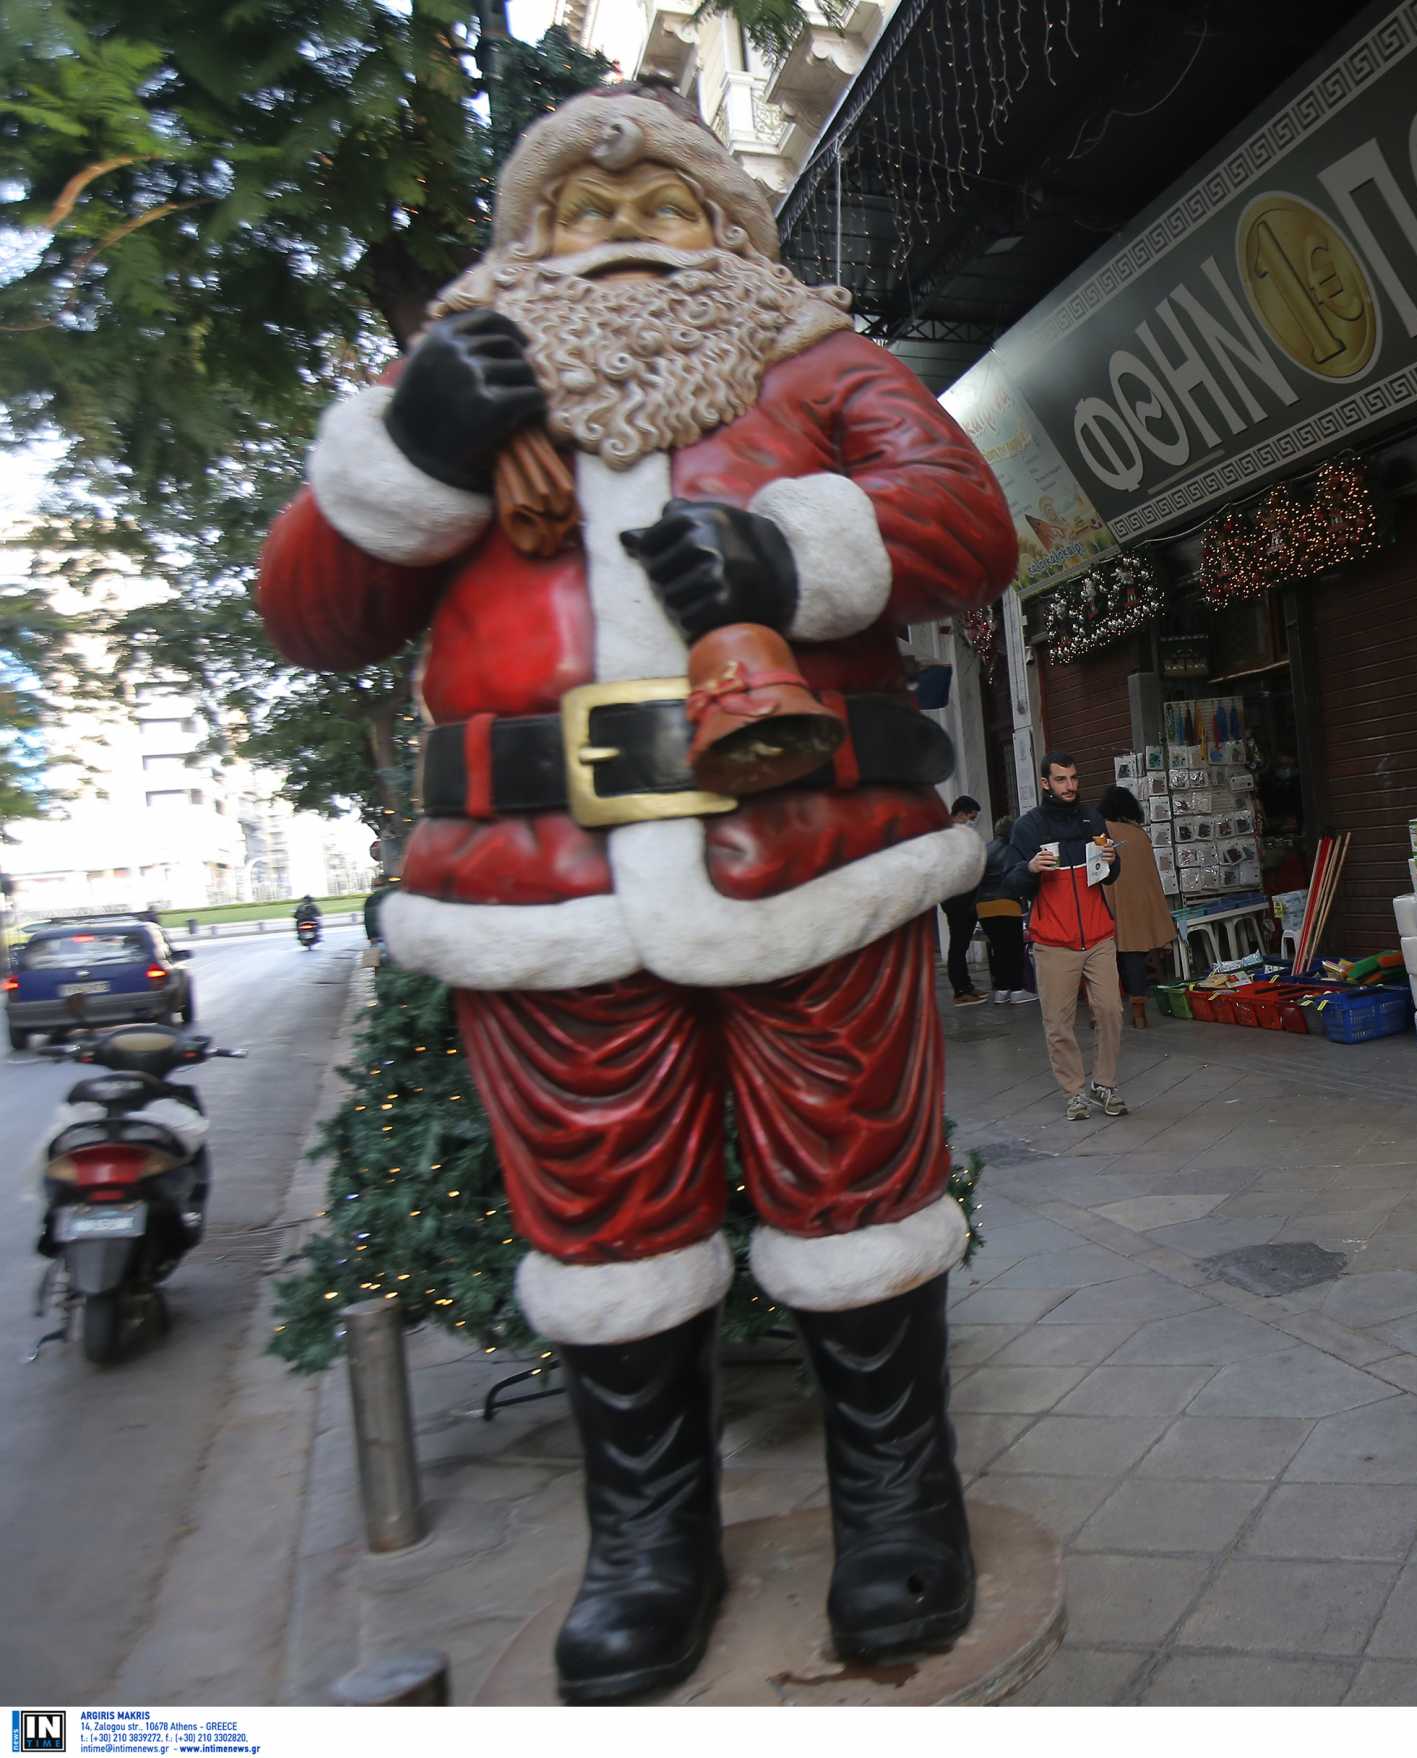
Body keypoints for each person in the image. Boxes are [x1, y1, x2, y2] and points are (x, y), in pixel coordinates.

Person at [254, 79, 1018, 1699]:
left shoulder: (817, 363)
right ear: (527, 242)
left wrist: (790, 551)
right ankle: (649, 1543)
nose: (621, 241)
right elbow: (311, 612)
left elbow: (963, 515)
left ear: (730, 234)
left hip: (817, 857)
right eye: (585, 218)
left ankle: (900, 1509)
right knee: (605, 1228)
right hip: (541, 885)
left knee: (859, 1200)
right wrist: (413, 453)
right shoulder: (451, 391)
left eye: (662, 210)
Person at [997, 753, 1124, 1120]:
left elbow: (1111, 875)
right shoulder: (1028, 827)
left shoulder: (1092, 818)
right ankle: (1074, 1093)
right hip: (1053, 941)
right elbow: (1010, 882)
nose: (1070, 786)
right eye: (1061, 780)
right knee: (1058, 1022)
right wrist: (1030, 868)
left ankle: (1105, 1083)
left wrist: (1113, 861)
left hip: (1099, 935)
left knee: (1111, 1011)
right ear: (1045, 784)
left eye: (1073, 778)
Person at [1098, 785, 1175, 1030]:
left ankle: (1102, 1015)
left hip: (1111, 904)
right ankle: (1139, 1012)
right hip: (1140, 905)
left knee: (1104, 960)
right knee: (1135, 956)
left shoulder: (1103, 832)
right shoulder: (1139, 834)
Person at [975, 813, 1033, 1004]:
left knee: (998, 950)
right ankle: (1017, 990)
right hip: (1007, 904)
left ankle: (1001, 991)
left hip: (983, 906)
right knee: (1014, 949)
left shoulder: (985, 848)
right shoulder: (1012, 849)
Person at [941, 795, 986, 1005]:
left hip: (965, 897)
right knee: (958, 945)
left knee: (962, 944)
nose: (972, 821)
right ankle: (960, 990)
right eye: (971, 817)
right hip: (955, 898)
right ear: (962, 812)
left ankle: (966, 985)